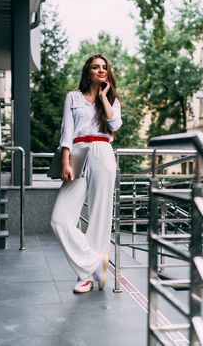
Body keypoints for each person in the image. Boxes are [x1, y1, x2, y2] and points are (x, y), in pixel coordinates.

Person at [51, 54, 122, 293]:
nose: (101, 70)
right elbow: (66, 132)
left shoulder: (111, 99)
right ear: (87, 71)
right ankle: (94, 263)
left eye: (104, 67)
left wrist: (103, 97)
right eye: (95, 67)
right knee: (59, 219)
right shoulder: (73, 97)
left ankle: (87, 277)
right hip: (78, 153)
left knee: (101, 215)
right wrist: (65, 160)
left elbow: (115, 126)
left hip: (103, 152)